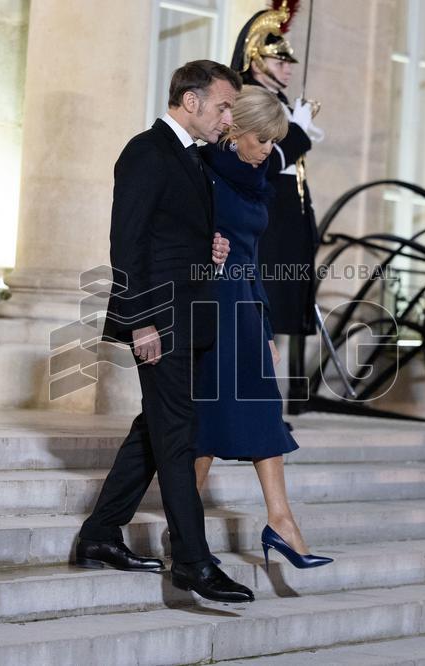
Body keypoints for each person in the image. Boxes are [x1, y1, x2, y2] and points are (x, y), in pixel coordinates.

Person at [76, 61, 255, 604]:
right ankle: (193, 563)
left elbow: (169, 235)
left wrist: (211, 249)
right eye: (224, 106)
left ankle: (101, 535)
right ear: (191, 101)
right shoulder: (145, 152)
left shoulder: (194, 159)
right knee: (178, 436)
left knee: (155, 430)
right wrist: (140, 321)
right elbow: (126, 246)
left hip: (192, 314)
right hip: (160, 318)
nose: (230, 118)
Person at [195, 86, 333, 570]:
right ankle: (184, 526)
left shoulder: (259, 176)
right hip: (209, 304)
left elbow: (252, 257)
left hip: (246, 306)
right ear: (235, 132)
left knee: (262, 411)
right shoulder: (203, 170)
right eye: (263, 141)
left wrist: (267, 324)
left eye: (276, 143)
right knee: (208, 419)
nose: (270, 152)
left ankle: (281, 520)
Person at [230, 1, 325, 410]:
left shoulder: (280, 102)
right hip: (267, 221)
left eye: (288, 62)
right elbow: (268, 162)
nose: (287, 68)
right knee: (263, 313)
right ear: (255, 57)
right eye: (277, 60)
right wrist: (299, 133)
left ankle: (287, 401)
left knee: (286, 311)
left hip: (289, 219)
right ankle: (262, 402)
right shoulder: (251, 99)